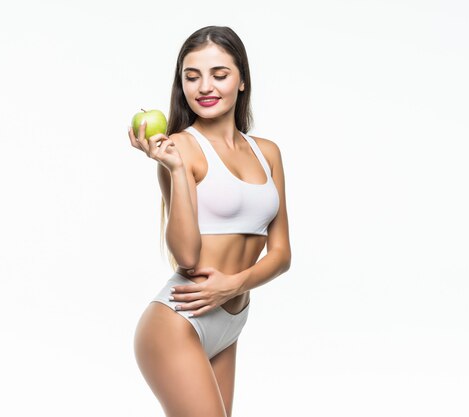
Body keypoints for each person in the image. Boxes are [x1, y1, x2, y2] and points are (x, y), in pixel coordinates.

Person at [128, 25, 291, 417]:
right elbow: (186, 256)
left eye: (219, 74)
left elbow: (282, 253)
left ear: (242, 81)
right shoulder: (178, 147)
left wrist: (232, 286)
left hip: (230, 319)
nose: (205, 86)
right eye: (192, 76)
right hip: (177, 323)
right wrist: (177, 172)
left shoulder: (267, 152)